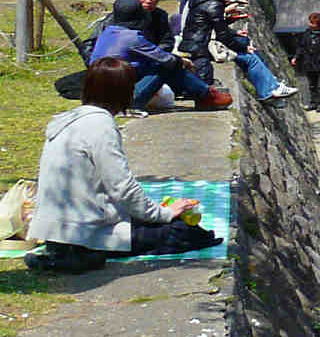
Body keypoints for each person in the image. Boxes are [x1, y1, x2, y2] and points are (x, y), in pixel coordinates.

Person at [25, 59, 221, 272]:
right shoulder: (100, 126)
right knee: (183, 231)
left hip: (54, 229)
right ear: (123, 92)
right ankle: (81, 255)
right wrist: (163, 213)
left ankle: (63, 254)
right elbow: (122, 186)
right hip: (86, 231)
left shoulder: (67, 121)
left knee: (155, 223)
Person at [90, 0, 220, 112]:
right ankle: (206, 94)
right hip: (123, 101)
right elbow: (165, 59)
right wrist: (182, 61)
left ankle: (203, 93)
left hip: (99, 97)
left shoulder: (106, 33)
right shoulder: (132, 38)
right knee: (165, 67)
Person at [179, 0, 295, 103]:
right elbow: (223, 36)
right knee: (249, 57)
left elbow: (209, 26)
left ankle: (271, 87)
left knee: (246, 49)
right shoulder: (214, 5)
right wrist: (244, 48)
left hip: (193, 43)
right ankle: (269, 90)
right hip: (201, 48)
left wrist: (232, 28)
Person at [292, 12, 320, 111]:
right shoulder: (307, 33)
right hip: (308, 62)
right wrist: (296, 57)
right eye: (310, 23)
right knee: (312, 85)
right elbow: (301, 47)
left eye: (312, 23)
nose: (310, 24)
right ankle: (313, 102)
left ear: (317, 24)